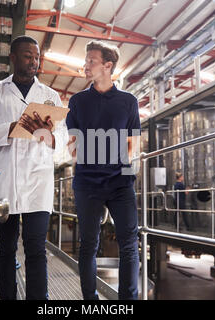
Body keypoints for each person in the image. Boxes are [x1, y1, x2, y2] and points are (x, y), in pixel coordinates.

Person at [0, 35, 67, 300]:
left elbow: (62, 139)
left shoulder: (50, 96)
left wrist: (49, 136)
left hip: (38, 183)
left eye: (36, 57)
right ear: (13, 58)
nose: (33, 62)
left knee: (36, 248)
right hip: (5, 183)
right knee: (5, 248)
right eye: (28, 56)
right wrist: (13, 129)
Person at [66, 40, 141, 300]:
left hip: (121, 182)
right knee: (88, 245)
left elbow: (133, 141)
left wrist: (121, 165)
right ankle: (91, 301)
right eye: (85, 61)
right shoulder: (77, 101)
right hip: (87, 182)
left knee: (130, 245)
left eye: (91, 61)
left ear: (107, 66)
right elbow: (73, 145)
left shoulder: (128, 102)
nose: (85, 65)